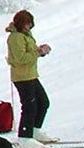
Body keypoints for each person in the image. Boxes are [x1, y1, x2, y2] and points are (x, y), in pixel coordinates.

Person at [6, 9, 52, 140]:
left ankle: (34, 130)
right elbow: (20, 58)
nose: (29, 26)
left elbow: (29, 52)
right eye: (27, 23)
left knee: (43, 102)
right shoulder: (16, 38)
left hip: (31, 75)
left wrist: (40, 51)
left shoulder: (26, 35)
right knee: (29, 107)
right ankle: (25, 137)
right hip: (22, 77)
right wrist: (38, 53)